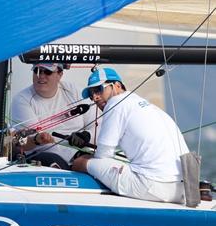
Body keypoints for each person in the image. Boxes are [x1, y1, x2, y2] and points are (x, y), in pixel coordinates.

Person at [72, 68, 189, 204]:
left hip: (152, 186)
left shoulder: (115, 104)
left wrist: (85, 158)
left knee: (80, 162)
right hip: (182, 190)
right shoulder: (144, 104)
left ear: (117, 85)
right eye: (91, 95)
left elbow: (103, 156)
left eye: (98, 89)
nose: (95, 98)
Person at [11, 63, 98, 169]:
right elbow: (25, 142)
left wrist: (86, 136)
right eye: (37, 71)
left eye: (47, 72)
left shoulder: (75, 91)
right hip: (46, 158)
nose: (41, 76)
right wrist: (38, 139)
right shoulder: (21, 99)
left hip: (82, 155)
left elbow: (98, 125)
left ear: (60, 74)